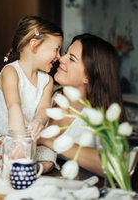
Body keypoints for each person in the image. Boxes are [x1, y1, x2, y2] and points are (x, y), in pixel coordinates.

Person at [0, 16, 63, 173]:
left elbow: (44, 108)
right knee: (1, 158)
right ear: (34, 45)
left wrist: (39, 121)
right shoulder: (11, 71)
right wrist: (19, 143)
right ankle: (18, 167)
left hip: (30, 141)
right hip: (2, 138)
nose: (59, 56)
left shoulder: (47, 80)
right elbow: (14, 106)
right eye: (56, 49)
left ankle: (24, 169)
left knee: (48, 159)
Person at [38, 33, 126, 177]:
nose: (61, 58)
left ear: (88, 76)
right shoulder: (45, 94)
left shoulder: (99, 117)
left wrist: (53, 142)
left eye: (72, 58)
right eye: (66, 53)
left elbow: (116, 165)